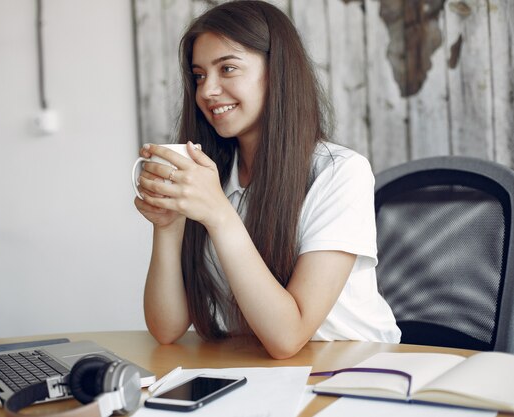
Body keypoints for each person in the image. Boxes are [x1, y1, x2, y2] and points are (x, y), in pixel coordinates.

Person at [134, 0, 400, 359]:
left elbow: (287, 337)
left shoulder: (340, 173)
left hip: (356, 372)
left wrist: (218, 213)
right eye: (199, 76)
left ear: (277, 72)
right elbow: (166, 329)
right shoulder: (215, 173)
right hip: (263, 371)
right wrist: (168, 225)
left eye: (227, 68)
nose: (207, 91)